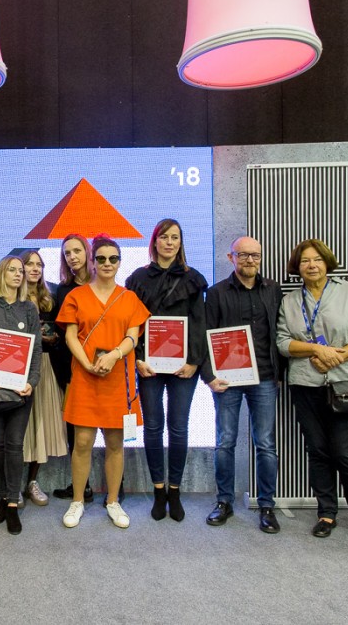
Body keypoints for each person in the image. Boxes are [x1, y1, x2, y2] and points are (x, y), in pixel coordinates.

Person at [276, 239, 348, 542]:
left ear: (327, 262)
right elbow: (283, 342)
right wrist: (314, 350)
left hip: (346, 385)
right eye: (305, 261)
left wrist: (337, 356)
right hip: (306, 384)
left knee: (345, 452)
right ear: (297, 267)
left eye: (317, 259)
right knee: (318, 450)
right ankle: (326, 513)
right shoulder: (290, 301)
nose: (311, 265)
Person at [58, 236, 149, 529]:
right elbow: (70, 336)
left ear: (120, 262)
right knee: (82, 442)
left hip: (117, 378)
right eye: (101, 258)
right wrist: (86, 364)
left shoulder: (129, 298)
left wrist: (113, 356)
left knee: (115, 443)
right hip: (85, 377)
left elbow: (132, 337)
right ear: (92, 262)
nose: (107, 263)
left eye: (113, 258)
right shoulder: (76, 296)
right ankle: (77, 501)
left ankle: (112, 501)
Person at [126, 218, 208, 522]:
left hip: (183, 366)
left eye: (175, 237)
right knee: (152, 427)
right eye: (164, 237)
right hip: (147, 364)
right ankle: (158, 490)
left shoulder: (193, 278)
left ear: (181, 242)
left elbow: (199, 323)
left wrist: (194, 362)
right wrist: (137, 358)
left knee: (179, 427)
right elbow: (131, 323)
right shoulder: (137, 278)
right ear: (154, 241)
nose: (169, 242)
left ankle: (175, 491)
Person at [200, 237, 282, 533]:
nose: (250, 260)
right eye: (243, 255)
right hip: (227, 379)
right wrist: (209, 377)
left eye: (255, 255)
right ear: (230, 257)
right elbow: (205, 336)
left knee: (266, 443)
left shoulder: (273, 290)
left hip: (265, 377)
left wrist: (281, 372)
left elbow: (281, 331)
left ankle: (267, 505)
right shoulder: (216, 293)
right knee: (225, 442)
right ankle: (224, 501)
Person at [0, 256, 43, 535]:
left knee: (14, 445)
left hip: (21, 389)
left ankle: (13, 503)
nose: (18, 274)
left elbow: (36, 350)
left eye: (20, 271)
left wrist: (32, 382)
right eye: (12, 270)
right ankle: (3, 498)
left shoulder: (29, 308)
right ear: (2, 273)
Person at [21, 249, 67, 506]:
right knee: (19, 427)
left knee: (39, 426)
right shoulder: (10, 297)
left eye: (39, 264)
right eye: (29, 264)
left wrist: (53, 339)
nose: (34, 268)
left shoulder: (51, 298)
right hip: (17, 366)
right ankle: (12, 485)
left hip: (46, 366)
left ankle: (32, 481)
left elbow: (61, 334)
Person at [51, 233, 94, 502]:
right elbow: (62, 331)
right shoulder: (63, 290)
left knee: (109, 428)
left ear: (88, 252)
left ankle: (117, 485)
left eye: (77, 251)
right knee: (74, 428)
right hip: (71, 368)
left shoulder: (104, 283)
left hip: (103, 365)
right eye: (67, 253)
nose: (72, 257)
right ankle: (82, 486)